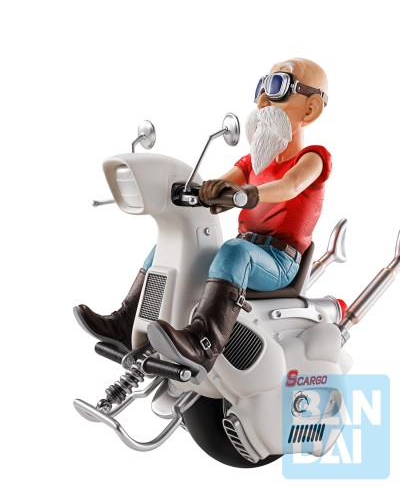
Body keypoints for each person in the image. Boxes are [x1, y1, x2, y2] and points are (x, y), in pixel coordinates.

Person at [75, 57, 332, 378]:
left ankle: (204, 342)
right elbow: (219, 185)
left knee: (235, 251)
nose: (263, 101)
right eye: (261, 88)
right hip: (245, 252)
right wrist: (195, 192)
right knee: (172, 242)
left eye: (278, 87)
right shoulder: (252, 162)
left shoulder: (313, 158)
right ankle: (127, 321)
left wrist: (250, 193)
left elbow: (289, 186)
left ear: (310, 109)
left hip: (279, 262)